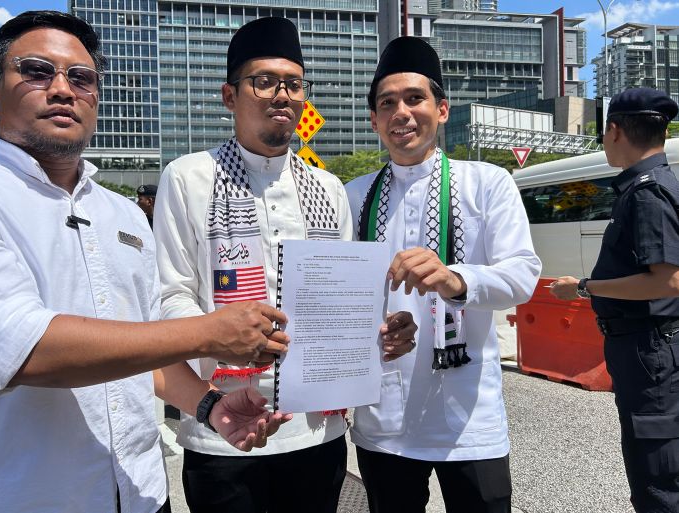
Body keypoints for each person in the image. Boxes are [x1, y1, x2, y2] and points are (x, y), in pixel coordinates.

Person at [0, 11, 293, 513]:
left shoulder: (123, 214)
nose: (62, 89)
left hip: (141, 494)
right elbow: (22, 349)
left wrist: (209, 405)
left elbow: (147, 345)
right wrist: (209, 332)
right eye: (36, 71)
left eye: (81, 78)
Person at [153, 17, 416, 513]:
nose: (282, 95)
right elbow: (170, 293)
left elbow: (341, 297)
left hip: (316, 429)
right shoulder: (188, 177)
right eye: (264, 81)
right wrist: (218, 335)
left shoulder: (327, 188)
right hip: (221, 430)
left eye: (294, 84)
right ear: (229, 96)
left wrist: (377, 330)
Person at [344, 37, 542, 513]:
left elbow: (523, 274)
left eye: (415, 98)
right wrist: (369, 329)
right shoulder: (351, 195)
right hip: (384, 415)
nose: (401, 113)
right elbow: (339, 293)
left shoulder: (487, 182)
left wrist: (455, 279)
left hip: (469, 416)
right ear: (374, 119)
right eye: (387, 103)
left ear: (442, 109)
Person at [550, 87, 679, 512]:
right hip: (648, 346)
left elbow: (669, 281)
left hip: (649, 349)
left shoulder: (647, 192)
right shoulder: (655, 185)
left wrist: (585, 287)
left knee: (657, 480)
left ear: (615, 131)